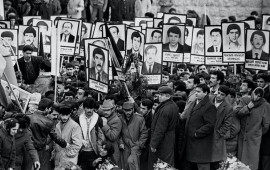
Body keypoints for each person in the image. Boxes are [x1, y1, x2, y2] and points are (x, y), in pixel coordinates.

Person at [184, 84, 217, 170]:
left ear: (206, 93)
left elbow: (210, 125)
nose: (196, 94)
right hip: (192, 143)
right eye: (195, 91)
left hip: (201, 144)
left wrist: (196, 133)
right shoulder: (196, 102)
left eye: (198, 92)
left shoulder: (209, 106)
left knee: (203, 166)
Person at [29, 98, 68, 170]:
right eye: (50, 108)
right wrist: (65, 144)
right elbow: (55, 137)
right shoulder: (47, 122)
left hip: (29, 149)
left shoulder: (29, 117)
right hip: (40, 150)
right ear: (46, 108)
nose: (50, 110)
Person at [236, 87, 270, 170]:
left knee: (252, 162)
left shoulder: (265, 105)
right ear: (252, 92)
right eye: (255, 94)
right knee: (240, 162)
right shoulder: (245, 100)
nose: (256, 97)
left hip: (254, 138)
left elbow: (266, 124)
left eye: (259, 96)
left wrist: (257, 133)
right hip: (242, 136)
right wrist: (247, 107)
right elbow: (237, 113)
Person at [149, 86, 179, 169]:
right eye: (159, 94)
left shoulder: (165, 109)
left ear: (168, 96)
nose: (159, 97)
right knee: (167, 162)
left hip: (163, 140)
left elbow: (160, 129)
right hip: (169, 138)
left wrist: (153, 144)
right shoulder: (173, 106)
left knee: (162, 163)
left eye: (162, 95)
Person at [76, 97, 105, 170]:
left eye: (91, 108)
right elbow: (75, 134)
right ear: (84, 108)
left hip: (94, 151)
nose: (89, 110)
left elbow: (101, 135)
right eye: (87, 108)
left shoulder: (98, 119)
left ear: (94, 108)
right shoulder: (78, 119)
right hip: (82, 151)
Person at [119, 101, 148, 170]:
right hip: (125, 146)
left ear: (133, 109)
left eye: (129, 110)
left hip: (135, 146)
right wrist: (121, 142)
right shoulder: (120, 118)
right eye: (126, 110)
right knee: (124, 165)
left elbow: (144, 134)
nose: (127, 112)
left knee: (131, 162)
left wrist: (139, 144)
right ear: (123, 110)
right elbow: (119, 134)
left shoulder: (139, 119)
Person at [211, 85, 233, 168]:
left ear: (226, 96)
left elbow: (227, 124)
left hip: (216, 136)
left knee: (215, 160)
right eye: (218, 93)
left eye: (222, 94)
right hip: (204, 133)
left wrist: (218, 133)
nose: (219, 96)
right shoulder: (210, 99)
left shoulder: (228, 107)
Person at [99, 100, 122, 165]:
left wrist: (105, 125)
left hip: (112, 151)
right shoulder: (103, 117)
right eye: (104, 110)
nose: (105, 112)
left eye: (107, 110)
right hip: (103, 149)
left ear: (112, 110)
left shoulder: (116, 120)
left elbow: (113, 137)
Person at [139, 99, 153, 170]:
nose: (141, 110)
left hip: (147, 145)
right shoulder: (142, 116)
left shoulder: (151, 119)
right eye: (140, 107)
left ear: (149, 109)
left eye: (143, 109)